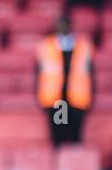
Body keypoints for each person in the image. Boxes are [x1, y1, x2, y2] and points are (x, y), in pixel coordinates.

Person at [36, 14, 94, 146]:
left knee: (75, 132)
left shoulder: (83, 46)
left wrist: (91, 96)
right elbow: (40, 73)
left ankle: (74, 158)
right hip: (57, 99)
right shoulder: (47, 46)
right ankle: (59, 158)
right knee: (58, 129)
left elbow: (90, 73)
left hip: (76, 97)